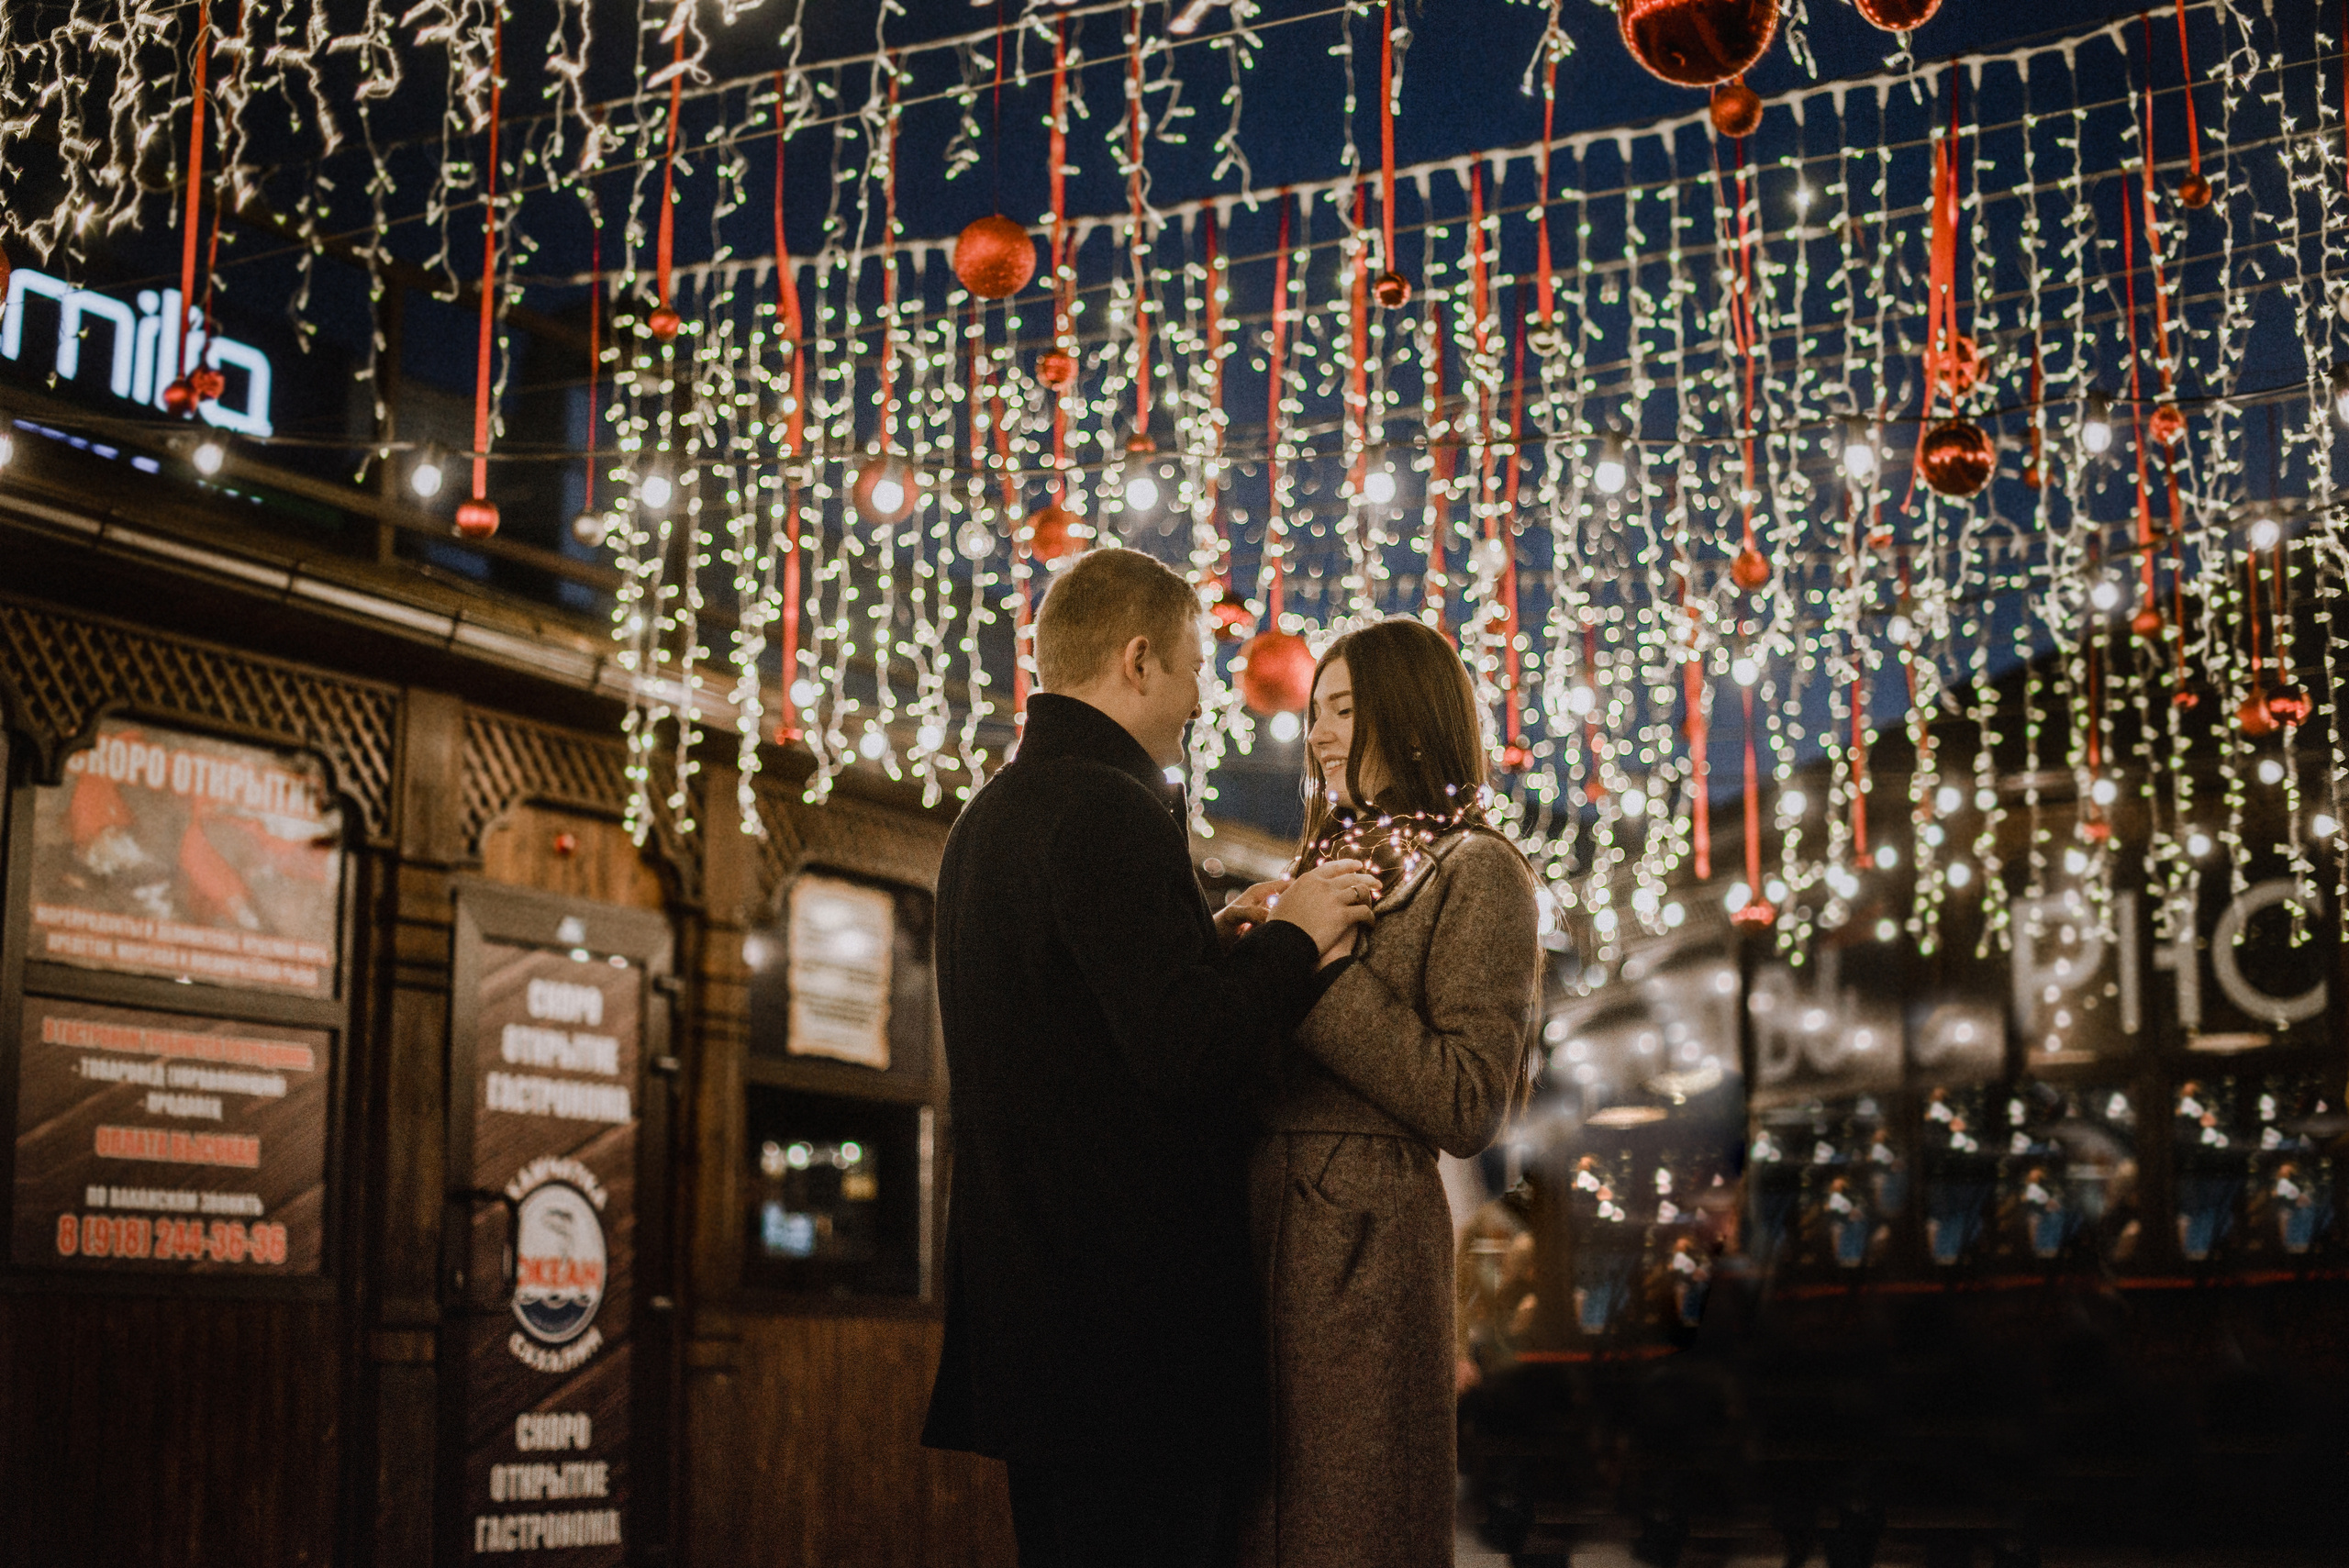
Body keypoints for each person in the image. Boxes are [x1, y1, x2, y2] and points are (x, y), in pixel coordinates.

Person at [921, 548, 1380, 1568]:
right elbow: (1194, 1054)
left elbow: (1081, 1019)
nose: (1200, 695)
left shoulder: (991, 819)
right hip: (1133, 1344)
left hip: (1037, 1329)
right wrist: (1299, 933)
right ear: (1136, 659)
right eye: (1192, 664)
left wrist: (1210, 942)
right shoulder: (1107, 807)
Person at [1244, 617, 1542, 1568]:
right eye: (1314, 710)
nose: (1318, 732)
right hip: (1257, 1233)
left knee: (1348, 1529)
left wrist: (1322, 976)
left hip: (1367, 1254)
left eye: (1342, 708)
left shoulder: (1480, 870)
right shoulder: (1319, 867)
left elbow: (1467, 1100)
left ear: (1407, 716)